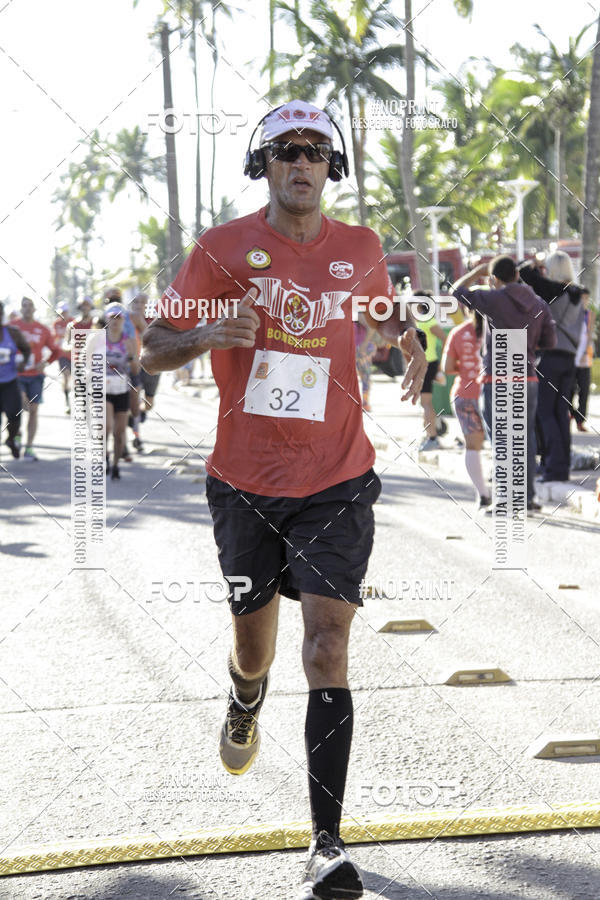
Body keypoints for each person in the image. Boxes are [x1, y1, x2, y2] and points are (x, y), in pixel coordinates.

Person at [142, 99, 426, 900]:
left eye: (314, 151)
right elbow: (154, 346)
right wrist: (205, 336)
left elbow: (382, 307)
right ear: (263, 164)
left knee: (327, 648)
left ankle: (326, 846)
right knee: (256, 650)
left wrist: (410, 338)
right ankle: (243, 697)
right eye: (284, 151)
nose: (300, 162)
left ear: (330, 168)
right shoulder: (222, 249)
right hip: (243, 482)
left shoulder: (362, 248)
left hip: (337, 475)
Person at [452, 255, 556, 511]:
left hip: (497, 377)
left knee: (501, 439)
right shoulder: (539, 303)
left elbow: (457, 291)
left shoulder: (493, 298)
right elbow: (550, 342)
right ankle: (527, 498)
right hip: (527, 376)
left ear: (495, 279)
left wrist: (476, 273)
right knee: (525, 438)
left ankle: (505, 499)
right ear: (517, 276)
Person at [519, 252, 584, 482]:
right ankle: (561, 467)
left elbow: (523, 272)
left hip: (550, 357)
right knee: (560, 413)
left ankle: (551, 466)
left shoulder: (553, 291)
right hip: (570, 359)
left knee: (545, 413)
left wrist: (533, 264)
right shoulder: (578, 293)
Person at [441, 310, 490, 509]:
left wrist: (466, 367)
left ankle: (483, 494)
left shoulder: (458, 332)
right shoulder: (499, 329)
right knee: (502, 445)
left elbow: (447, 367)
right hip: (494, 393)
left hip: (465, 394)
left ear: (468, 310)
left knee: (472, 446)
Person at [13, 296, 60, 461]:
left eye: (30, 305)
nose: (27, 308)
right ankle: (16, 433)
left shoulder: (42, 329)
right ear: (21, 309)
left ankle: (29, 447)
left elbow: (56, 350)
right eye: (24, 305)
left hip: (35, 376)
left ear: (34, 309)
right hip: (16, 375)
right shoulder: (13, 327)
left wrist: (45, 363)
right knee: (20, 404)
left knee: (33, 410)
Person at [102, 302, 141, 480]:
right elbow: (85, 364)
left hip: (122, 388)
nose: (115, 321)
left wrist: (132, 359)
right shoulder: (98, 340)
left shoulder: (129, 341)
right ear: (107, 320)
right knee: (107, 426)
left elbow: (135, 370)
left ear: (123, 320)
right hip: (103, 389)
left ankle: (116, 464)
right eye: (112, 318)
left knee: (119, 433)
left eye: (119, 318)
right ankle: (105, 458)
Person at [413, 292, 447, 451]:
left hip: (428, 363)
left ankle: (432, 437)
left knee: (425, 402)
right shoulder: (419, 320)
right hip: (423, 364)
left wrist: (441, 364)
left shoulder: (428, 320)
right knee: (424, 402)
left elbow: (445, 338)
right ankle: (430, 435)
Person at [0, 301, 31, 459]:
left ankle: (11, 439)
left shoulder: (12, 332)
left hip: (10, 382)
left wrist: (23, 363)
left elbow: (26, 349)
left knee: (15, 415)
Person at [572, 288, 595, 432]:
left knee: (584, 391)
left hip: (585, 359)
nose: (584, 301)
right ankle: (572, 414)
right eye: (582, 298)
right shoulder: (571, 315)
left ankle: (580, 420)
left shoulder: (590, 315)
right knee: (568, 391)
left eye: (586, 298)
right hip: (571, 359)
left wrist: (583, 355)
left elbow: (589, 336)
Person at [52, 300, 74, 414]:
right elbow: (54, 339)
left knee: (75, 379)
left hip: (75, 355)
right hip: (62, 355)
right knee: (66, 376)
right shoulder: (56, 324)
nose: (63, 314)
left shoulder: (73, 322)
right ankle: (67, 402)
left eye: (65, 312)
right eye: (61, 312)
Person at [354, 313, 377, 411]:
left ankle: (365, 403)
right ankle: (362, 402)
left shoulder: (358, 314)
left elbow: (371, 329)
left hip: (360, 350)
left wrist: (363, 345)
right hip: (354, 349)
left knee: (365, 377)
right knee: (362, 377)